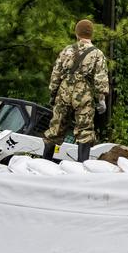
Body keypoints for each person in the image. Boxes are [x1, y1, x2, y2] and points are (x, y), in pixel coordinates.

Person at [43, 19, 111, 162]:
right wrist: (101, 99)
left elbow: (55, 75)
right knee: (84, 132)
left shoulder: (66, 50)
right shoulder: (97, 54)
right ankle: (82, 169)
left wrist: (53, 94)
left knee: (54, 130)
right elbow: (101, 78)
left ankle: (44, 163)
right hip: (83, 94)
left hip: (63, 91)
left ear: (77, 33)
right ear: (91, 34)